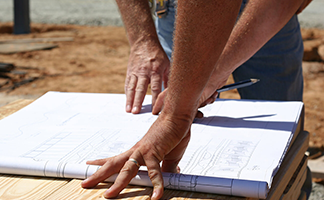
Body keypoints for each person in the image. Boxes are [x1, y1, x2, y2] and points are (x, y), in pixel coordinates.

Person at [81, 0, 311, 200]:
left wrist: (177, 114)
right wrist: (143, 40)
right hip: (179, 10)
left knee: (282, 157)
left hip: (264, 9)